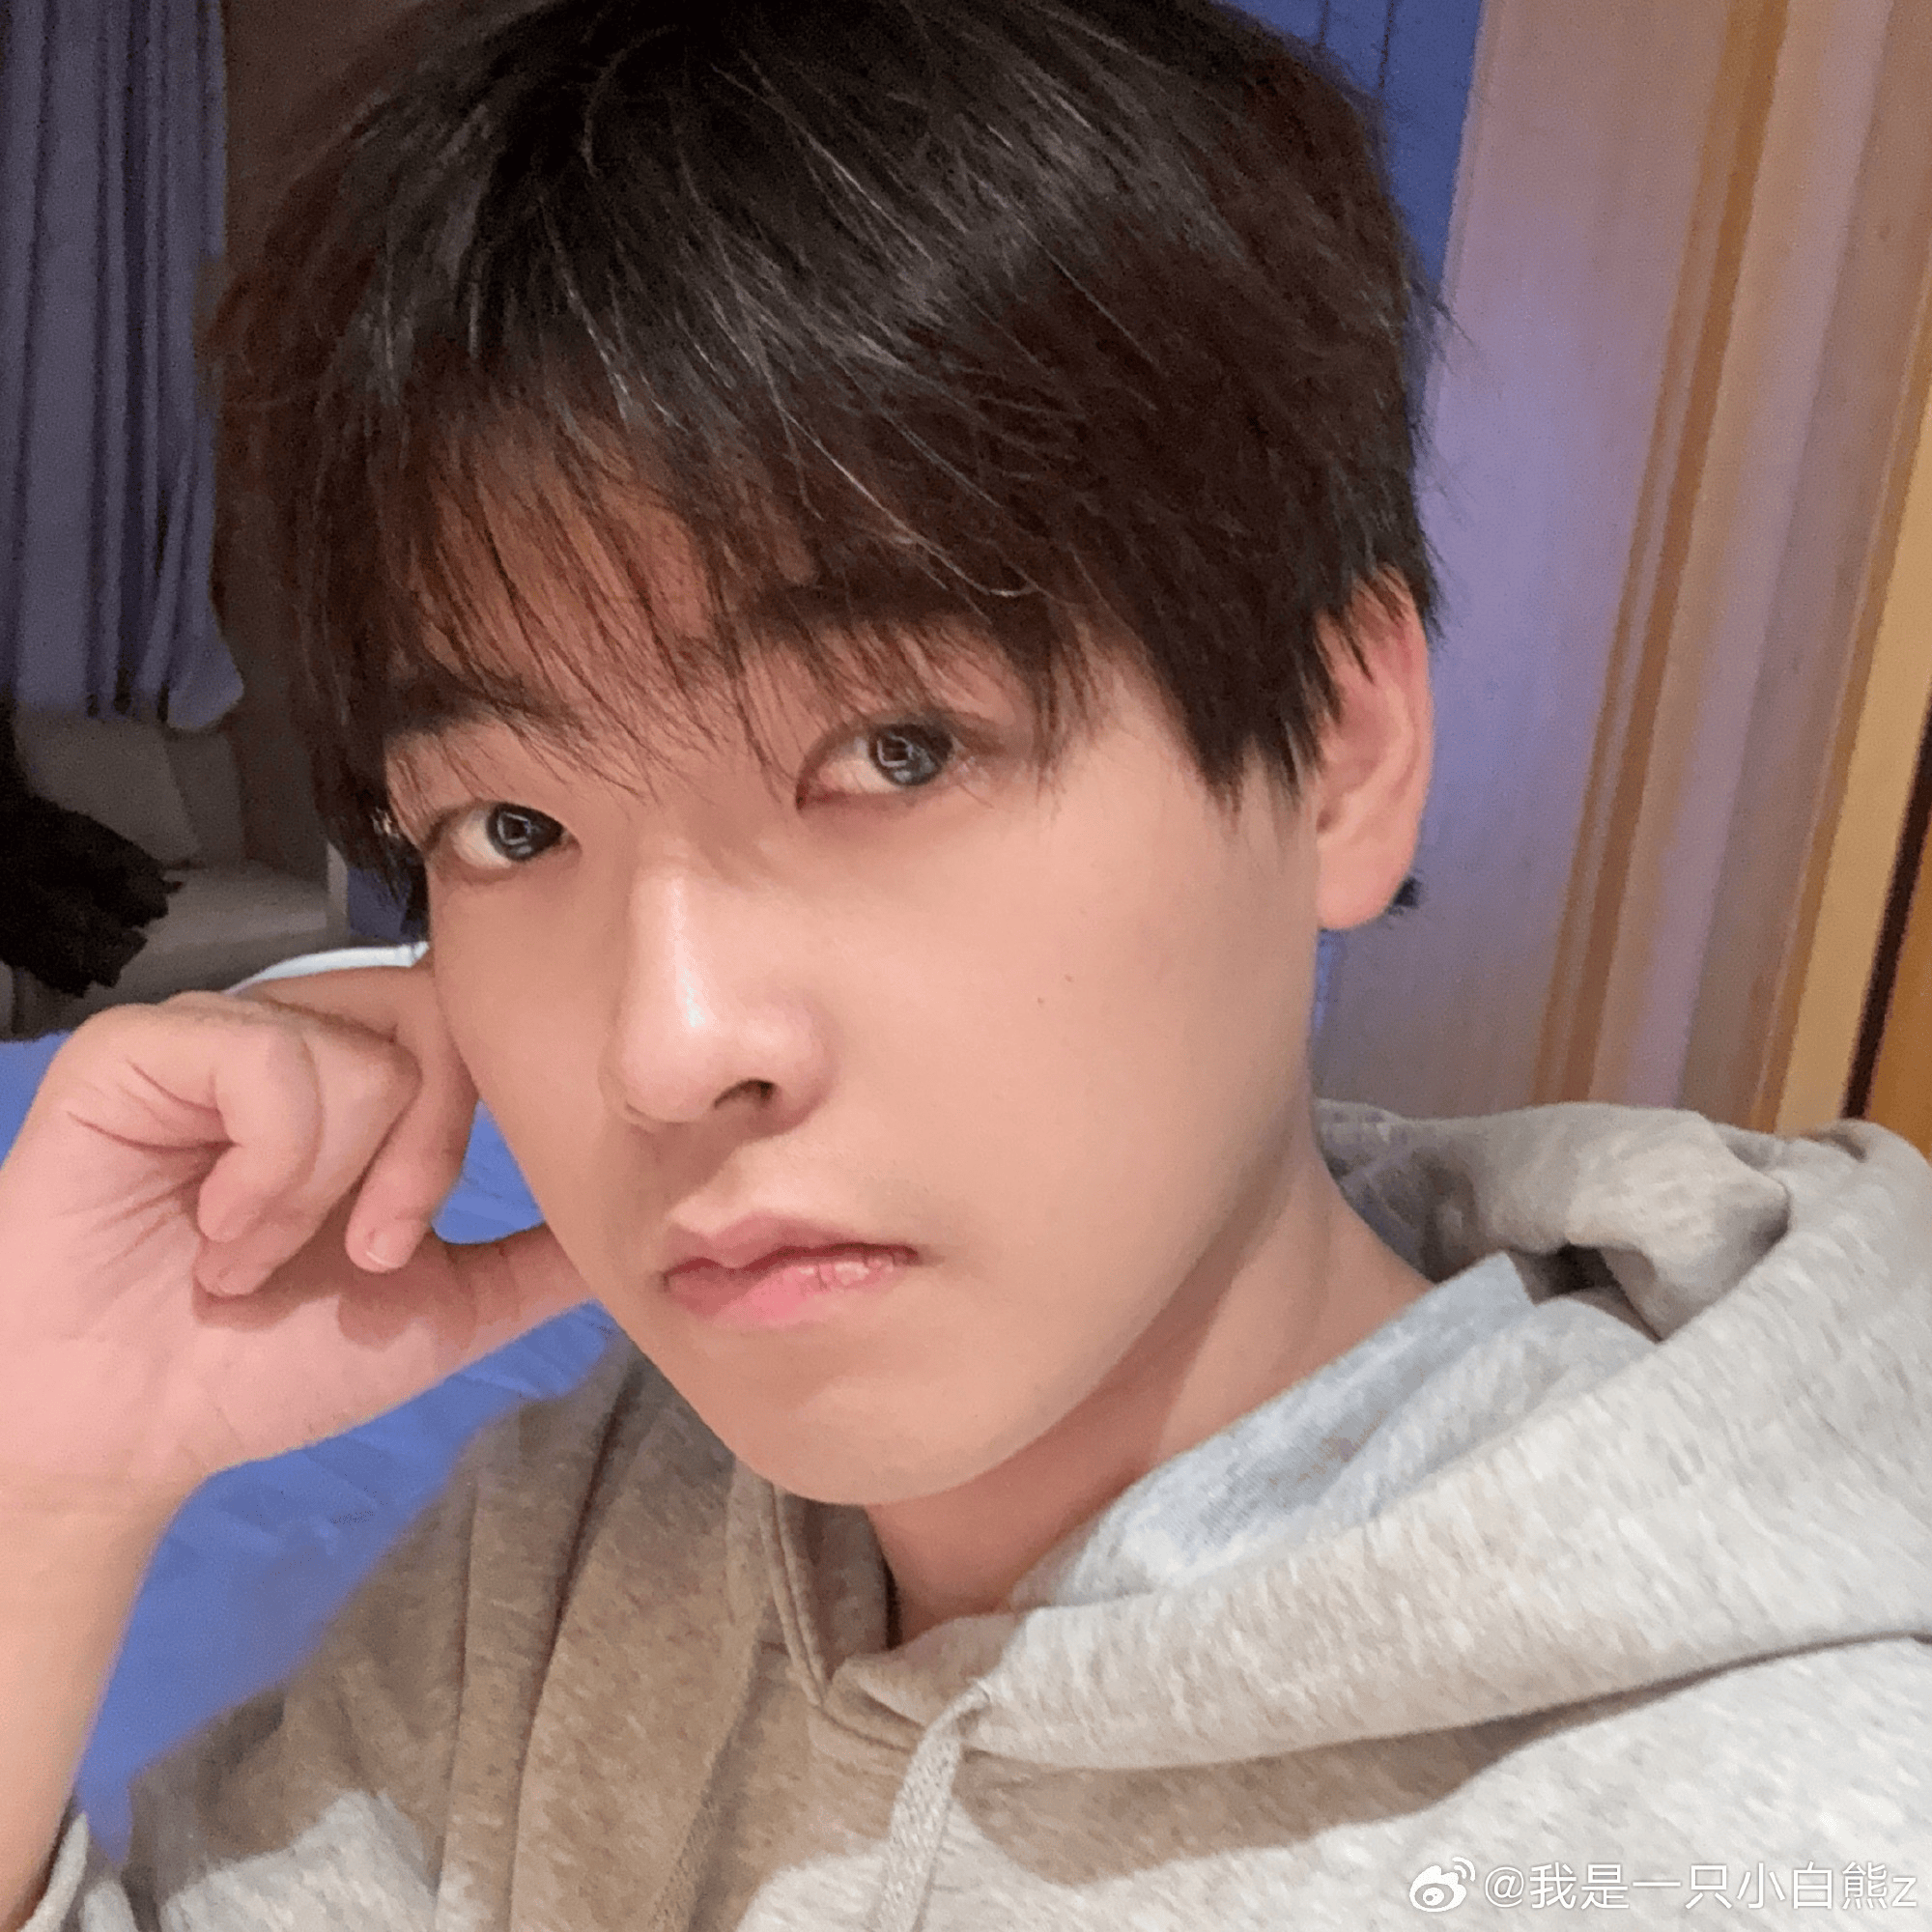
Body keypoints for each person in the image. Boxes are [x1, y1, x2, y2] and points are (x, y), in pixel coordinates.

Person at [2, 0, 1927, 1923]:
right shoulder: (570, 1548)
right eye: (511, 827)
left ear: (1340, 748)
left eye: (898, 750)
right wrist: (48, 1484)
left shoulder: (1793, 1831)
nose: (667, 1047)